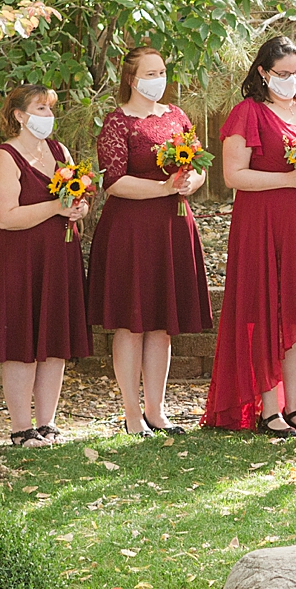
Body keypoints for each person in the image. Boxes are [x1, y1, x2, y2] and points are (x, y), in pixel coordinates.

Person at [201, 36, 296, 438]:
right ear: (263, 73)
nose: (290, 80)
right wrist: (288, 178)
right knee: (268, 309)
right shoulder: (248, 113)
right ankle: (269, 410)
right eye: (282, 74)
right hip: (265, 223)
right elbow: (235, 175)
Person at [85, 47, 213, 436]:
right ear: (131, 78)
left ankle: (157, 410)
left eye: (162, 71)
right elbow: (114, 182)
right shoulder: (117, 123)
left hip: (173, 226)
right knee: (131, 323)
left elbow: (198, 167)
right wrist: (163, 188)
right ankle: (130, 413)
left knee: (161, 323)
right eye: (150, 72)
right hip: (131, 230)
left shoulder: (176, 116)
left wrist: (193, 182)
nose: (159, 78)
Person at [0, 84, 91, 445]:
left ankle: (47, 423)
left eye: (50, 109)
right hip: (19, 262)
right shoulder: (3, 157)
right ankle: (21, 428)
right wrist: (57, 208)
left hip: (59, 258)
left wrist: (77, 208)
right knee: (22, 346)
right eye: (40, 109)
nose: (47, 116)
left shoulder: (60, 151)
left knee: (54, 343)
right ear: (19, 116)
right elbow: (4, 216)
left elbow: (73, 197)